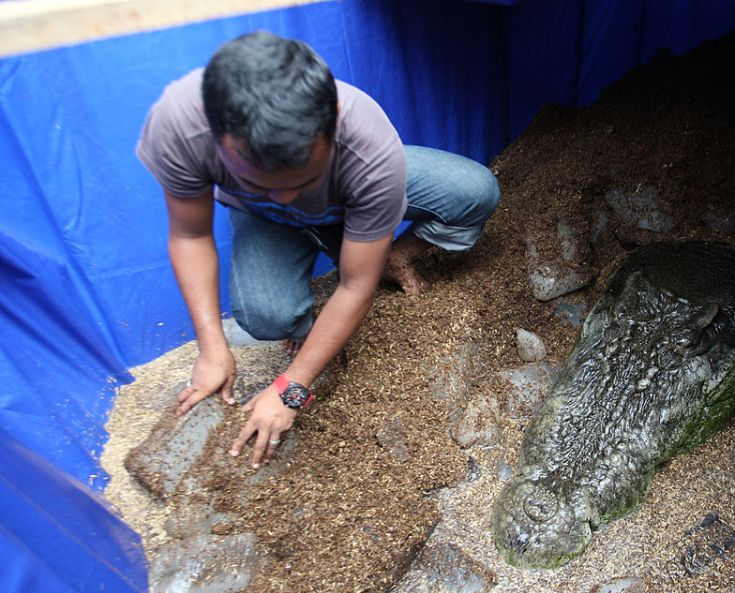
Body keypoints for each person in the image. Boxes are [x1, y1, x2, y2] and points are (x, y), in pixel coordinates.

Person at [136, 31, 500, 469]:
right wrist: (211, 348)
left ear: (333, 122)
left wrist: (293, 386)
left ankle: (389, 250)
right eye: (260, 183)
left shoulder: (368, 148)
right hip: (266, 223)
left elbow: (355, 285)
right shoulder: (180, 125)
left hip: (352, 200)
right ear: (217, 140)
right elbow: (190, 235)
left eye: (302, 180)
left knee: (474, 191)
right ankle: (307, 281)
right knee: (267, 315)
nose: (286, 196)